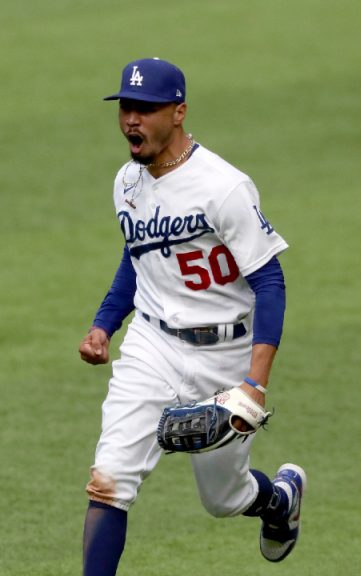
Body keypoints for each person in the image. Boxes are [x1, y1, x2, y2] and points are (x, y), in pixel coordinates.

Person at [78, 58, 305, 575]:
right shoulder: (127, 182)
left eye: (147, 109)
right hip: (152, 347)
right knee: (109, 480)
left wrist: (254, 386)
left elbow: (270, 282)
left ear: (178, 112)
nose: (132, 120)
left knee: (223, 498)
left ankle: (278, 500)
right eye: (126, 108)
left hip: (225, 356)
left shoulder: (224, 188)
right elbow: (139, 255)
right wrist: (104, 324)